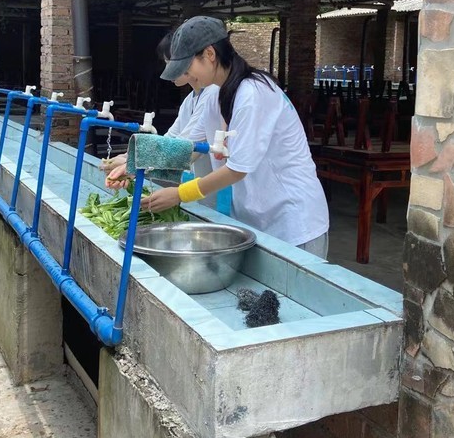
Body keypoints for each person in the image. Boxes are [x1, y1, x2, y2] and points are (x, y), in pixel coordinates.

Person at [138, 16, 330, 257]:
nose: (186, 75)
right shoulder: (216, 94)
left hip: (292, 221)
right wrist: (131, 162)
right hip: (256, 219)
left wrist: (180, 194)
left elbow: (238, 168)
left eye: (187, 66)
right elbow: (185, 147)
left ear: (209, 54)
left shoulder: (253, 92)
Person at [102, 32, 222, 209]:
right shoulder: (191, 99)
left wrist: (134, 164)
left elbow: (188, 148)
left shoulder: (214, 94)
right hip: (199, 188)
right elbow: (171, 139)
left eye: (172, 63)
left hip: (216, 193)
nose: (168, 71)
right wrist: (129, 158)